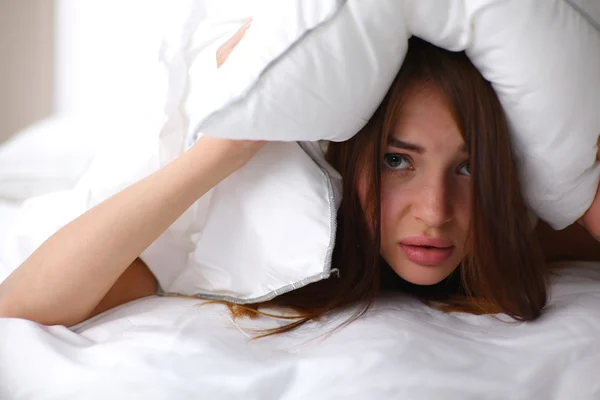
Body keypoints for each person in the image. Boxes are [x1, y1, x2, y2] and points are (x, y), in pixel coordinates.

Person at [0, 22, 599, 333]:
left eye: (466, 167)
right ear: (349, 153)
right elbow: (17, 307)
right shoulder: (261, 220)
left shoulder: (506, 229)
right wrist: (227, 146)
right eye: (398, 161)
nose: (436, 211)